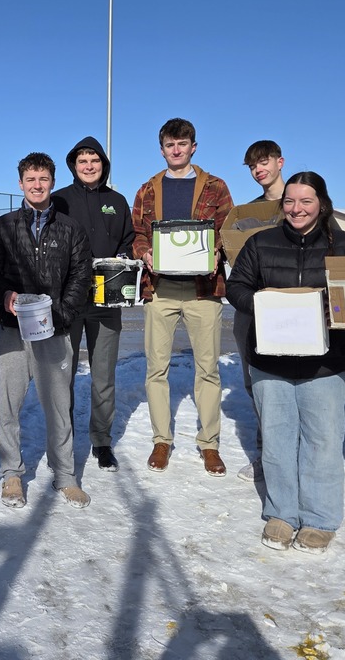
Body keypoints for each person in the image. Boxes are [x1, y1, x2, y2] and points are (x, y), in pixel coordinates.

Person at [226, 171, 345, 554]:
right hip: (270, 360)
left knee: (321, 440)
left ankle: (320, 517)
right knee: (277, 439)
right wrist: (263, 303)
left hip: (326, 362)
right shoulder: (261, 243)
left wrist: (332, 310)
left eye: (305, 201)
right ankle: (282, 513)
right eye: (289, 201)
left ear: (321, 202)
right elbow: (235, 287)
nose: (296, 209)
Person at [0, 152, 93, 509]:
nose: (37, 185)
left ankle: (65, 476)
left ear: (52, 181)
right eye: (30, 179)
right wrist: (5, 297)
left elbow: (81, 275)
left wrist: (60, 315)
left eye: (43, 179)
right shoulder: (1, 227)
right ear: (20, 183)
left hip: (54, 331)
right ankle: (11, 474)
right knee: (7, 404)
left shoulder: (70, 228)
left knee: (59, 406)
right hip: (10, 328)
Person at [131, 118, 234, 475]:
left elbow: (227, 229)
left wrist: (217, 251)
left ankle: (210, 444)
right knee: (155, 369)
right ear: (162, 150)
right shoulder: (148, 190)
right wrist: (143, 252)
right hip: (159, 290)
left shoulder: (215, 187)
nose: (176, 150)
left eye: (182, 144)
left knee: (208, 369)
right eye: (170, 145)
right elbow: (138, 233)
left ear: (193, 147)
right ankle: (162, 440)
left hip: (203, 291)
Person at [51, 136, 135, 472]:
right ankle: (64, 440)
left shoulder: (116, 200)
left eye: (95, 160)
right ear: (73, 165)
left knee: (103, 376)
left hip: (106, 300)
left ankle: (101, 441)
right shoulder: (59, 201)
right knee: (64, 376)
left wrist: (123, 261)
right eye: (83, 160)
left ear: (103, 165)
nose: (89, 166)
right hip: (68, 301)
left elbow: (128, 241)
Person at [234, 140, 286, 483]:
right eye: (253, 166)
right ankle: (266, 454)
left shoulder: (303, 202)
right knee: (257, 384)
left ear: (280, 162)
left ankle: (292, 453)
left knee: (291, 383)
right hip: (252, 309)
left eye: (264, 162)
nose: (259, 170)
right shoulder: (247, 214)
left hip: (293, 308)